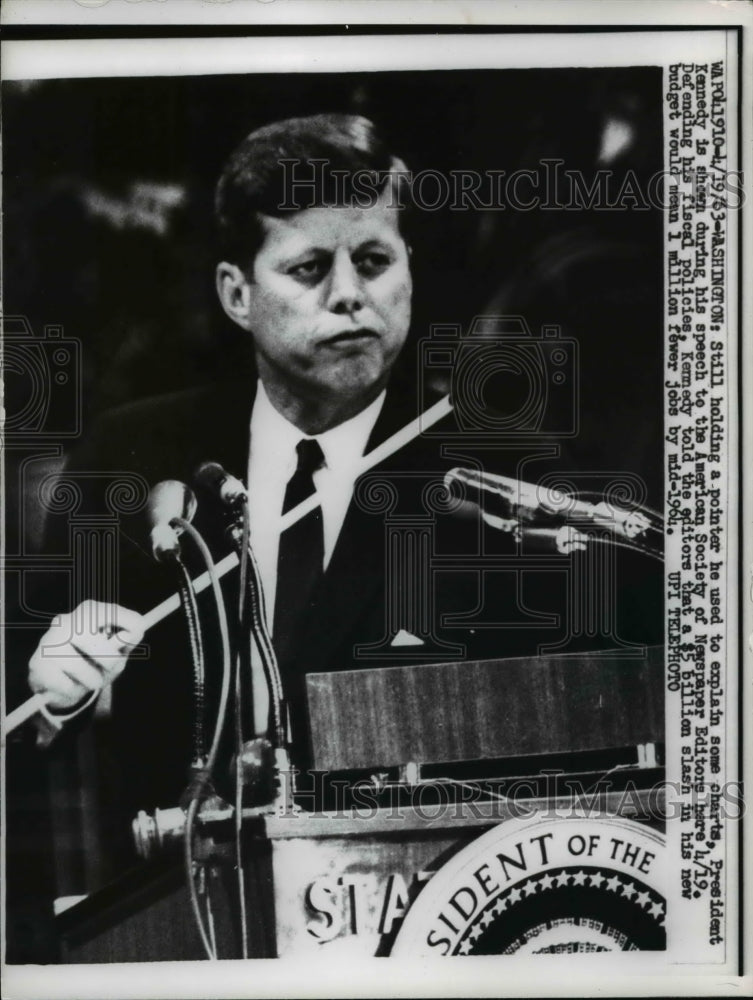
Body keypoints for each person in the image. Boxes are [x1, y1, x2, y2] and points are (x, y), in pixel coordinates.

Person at [20, 113, 663, 865]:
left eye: (373, 259)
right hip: (185, 919)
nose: (349, 295)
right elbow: (26, 738)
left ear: (409, 268)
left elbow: (609, 720)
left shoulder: (505, 478)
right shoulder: (127, 463)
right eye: (308, 269)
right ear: (236, 293)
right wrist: (49, 699)